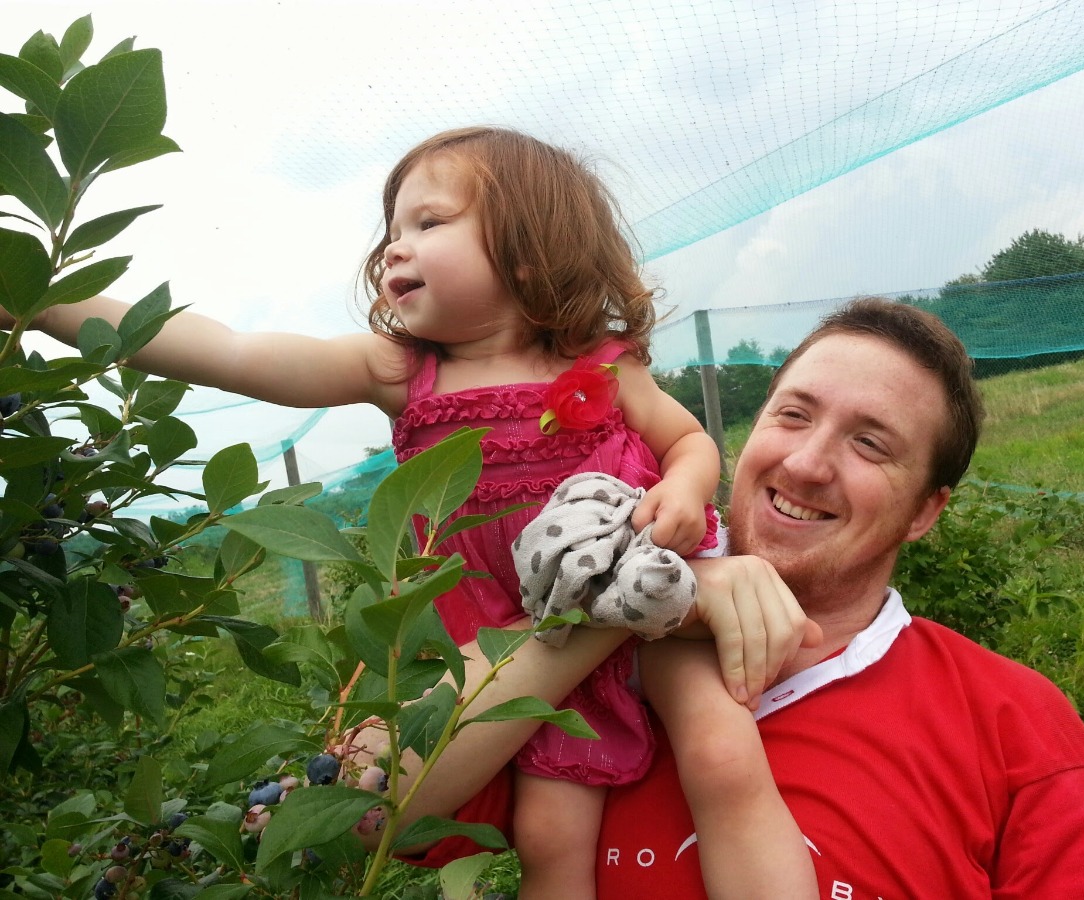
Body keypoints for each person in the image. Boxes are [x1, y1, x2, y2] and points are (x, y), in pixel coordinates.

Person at [7, 127, 814, 899]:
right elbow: (229, 353)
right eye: (393, 229)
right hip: (509, 645)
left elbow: (689, 441)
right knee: (549, 839)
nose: (395, 245)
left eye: (429, 222)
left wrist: (681, 486)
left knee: (722, 756)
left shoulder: (601, 366)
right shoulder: (400, 371)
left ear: (531, 252)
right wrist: (44, 305)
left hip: (638, 597)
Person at [397, 297, 1084, 897]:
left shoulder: (1015, 726)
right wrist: (644, 604)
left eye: (870, 444)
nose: (808, 461)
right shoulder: (581, 675)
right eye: (792, 414)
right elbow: (363, 802)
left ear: (925, 511)